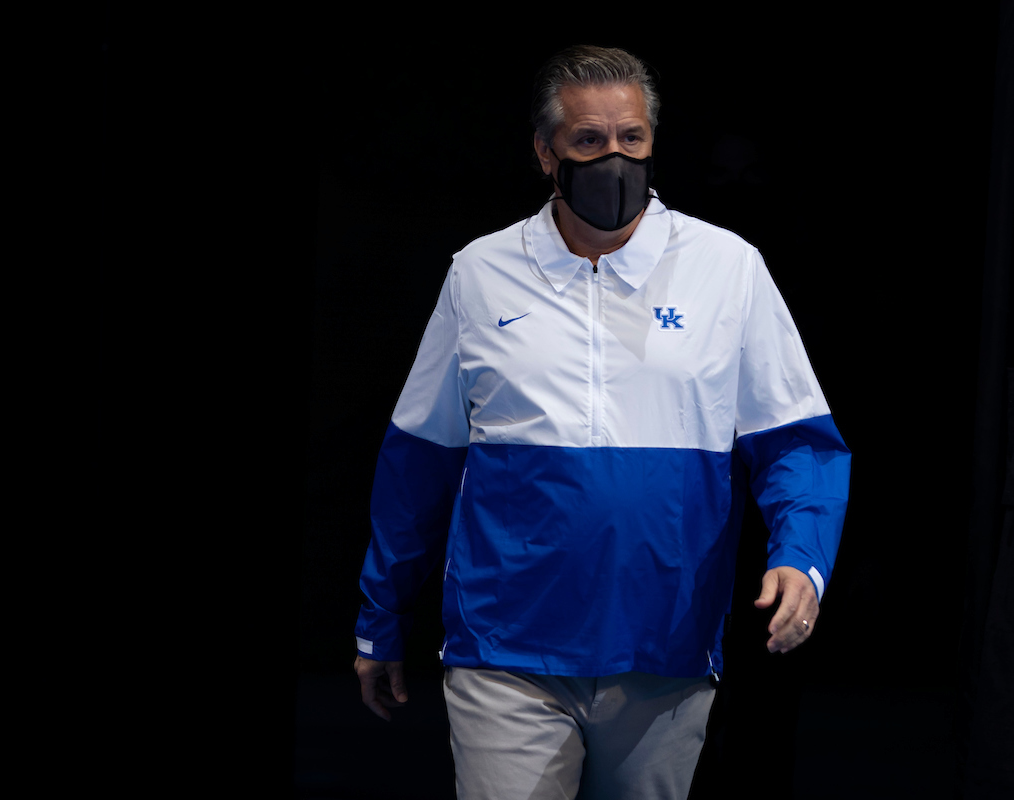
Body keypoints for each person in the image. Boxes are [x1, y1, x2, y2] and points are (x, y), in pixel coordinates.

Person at [353, 44, 850, 799]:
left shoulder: (728, 267)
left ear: (652, 143)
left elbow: (797, 443)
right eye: (588, 140)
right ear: (545, 152)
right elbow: (419, 462)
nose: (613, 158)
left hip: (665, 648)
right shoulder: (480, 272)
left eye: (631, 138)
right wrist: (381, 616)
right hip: (505, 648)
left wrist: (802, 556)